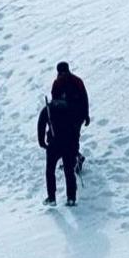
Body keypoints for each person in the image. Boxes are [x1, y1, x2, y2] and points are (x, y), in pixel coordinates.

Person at [38, 62, 90, 205]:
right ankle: (71, 196)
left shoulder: (58, 84)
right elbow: (85, 99)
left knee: (52, 167)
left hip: (67, 118)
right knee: (72, 140)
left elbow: (44, 119)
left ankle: (53, 197)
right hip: (75, 117)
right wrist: (86, 115)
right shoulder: (77, 81)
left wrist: (43, 141)